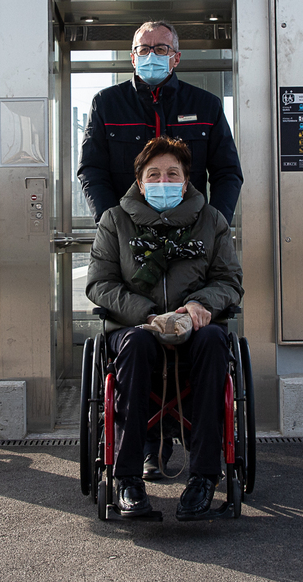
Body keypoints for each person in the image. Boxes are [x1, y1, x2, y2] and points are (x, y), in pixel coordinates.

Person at [86, 135, 244, 520]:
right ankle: (127, 478)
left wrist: (198, 306)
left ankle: (204, 476)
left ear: (187, 179)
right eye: (153, 174)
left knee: (212, 342)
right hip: (138, 328)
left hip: (196, 327)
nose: (163, 181)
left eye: (172, 174)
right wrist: (148, 313)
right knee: (137, 345)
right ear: (140, 182)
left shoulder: (211, 221)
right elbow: (99, 284)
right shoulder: (115, 221)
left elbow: (229, 280)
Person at [77, 19, 243, 225]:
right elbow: (92, 170)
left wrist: (215, 225)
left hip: (192, 231)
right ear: (133, 58)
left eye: (161, 49)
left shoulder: (206, 105)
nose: (151, 56)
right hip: (127, 230)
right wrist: (110, 223)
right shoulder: (106, 104)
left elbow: (227, 172)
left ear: (176, 58)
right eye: (144, 49)